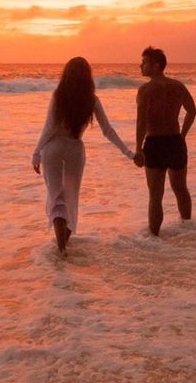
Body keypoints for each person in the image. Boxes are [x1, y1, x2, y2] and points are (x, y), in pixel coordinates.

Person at [32, 57, 135, 256]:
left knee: (56, 198)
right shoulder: (92, 99)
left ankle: (61, 248)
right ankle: (63, 246)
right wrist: (129, 153)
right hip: (75, 151)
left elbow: (49, 128)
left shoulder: (59, 96)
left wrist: (36, 153)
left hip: (53, 150)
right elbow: (108, 131)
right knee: (70, 199)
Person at [133, 46, 196, 236]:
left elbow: (141, 122)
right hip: (175, 142)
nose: (141, 66)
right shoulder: (178, 86)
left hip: (155, 143)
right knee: (180, 188)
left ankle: (154, 238)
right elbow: (192, 111)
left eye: (144, 62)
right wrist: (182, 135)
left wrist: (138, 148)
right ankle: (188, 229)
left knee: (155, 195)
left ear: (156, 65)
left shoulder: (145, 90)